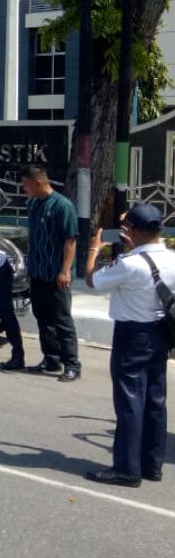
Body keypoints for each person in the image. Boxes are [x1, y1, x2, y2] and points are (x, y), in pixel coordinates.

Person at [81, 204, 171, 487]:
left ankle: (126, 469)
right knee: (155, 399)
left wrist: (95, 249)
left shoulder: (130, 263)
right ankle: (151, 465)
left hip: (133, 335)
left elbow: (91, 280)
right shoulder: (171, 257)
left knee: (130, 401)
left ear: (131, 230)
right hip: (161, 333)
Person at [20, 164, 80, 381]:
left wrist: (65, 270)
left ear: (38, 183)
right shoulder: (34, 205)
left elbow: (70, 241)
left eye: (26, 186)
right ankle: (51, 358)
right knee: (42, 317)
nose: (25, 190)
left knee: (61, 319)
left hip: (56, 274)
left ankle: (71, 364)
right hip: (37, 272)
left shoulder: (63, 206)